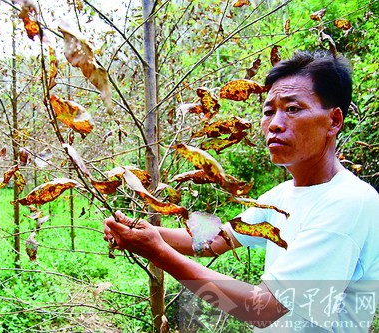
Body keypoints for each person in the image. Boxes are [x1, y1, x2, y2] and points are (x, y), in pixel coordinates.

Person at [103, 50, 379, 332]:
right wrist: (140, 231)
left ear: (334, 120)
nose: (275, 124)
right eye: (269, 111)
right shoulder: (280, 196)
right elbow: (213, 239)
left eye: (293, 109)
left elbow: (264, 309)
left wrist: (158, 253)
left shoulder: (350, 202)